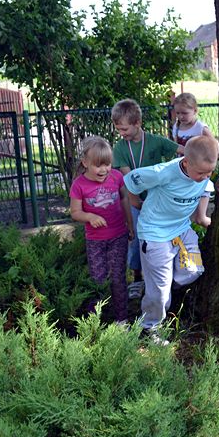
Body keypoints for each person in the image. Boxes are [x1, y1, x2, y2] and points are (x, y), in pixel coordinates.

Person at [122, 135, 218, 344]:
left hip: (181, 230)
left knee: (193, 270)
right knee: (161, 291)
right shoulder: (164, 172)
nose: (205, 176)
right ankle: (149, 328)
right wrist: (134, 200)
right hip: (155, 233)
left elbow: (205, 192)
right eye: (201, 172)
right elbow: (132, 179)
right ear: (186, 162)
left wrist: (203, 218)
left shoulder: (203, 175)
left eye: (210, 172)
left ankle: (158, 289)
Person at [112, 98, 179, 301]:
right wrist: (134, 200)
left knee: (160, 239)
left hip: (157, 202)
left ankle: (165, 277)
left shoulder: (156, 141)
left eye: (124, 129)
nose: (121, 133)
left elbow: (181, 152)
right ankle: (137, 278)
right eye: (118, 129)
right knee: (136, 240)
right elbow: (128, 177)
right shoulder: (120, 148)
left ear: (137, 123)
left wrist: (202, 151)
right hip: (136, 202)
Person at [69, 136, 134, 324]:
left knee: (118, 278)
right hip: (95, 241)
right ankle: (94, 321)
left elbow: (124, 199)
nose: (104, 169)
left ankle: (122, 320)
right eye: (98, 165)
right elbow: (75, 212)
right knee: (97, 279)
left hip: (118, 236)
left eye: (107, 164)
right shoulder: (79, 185)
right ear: (85, 163)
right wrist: (90, 217)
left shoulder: (116, 177)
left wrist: (130, 224)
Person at [170, 92, 219, 196]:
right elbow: (176, 146)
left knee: (200, 193)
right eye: (178, 113)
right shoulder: (176, 127)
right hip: (185, 167)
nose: (181, 116)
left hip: (200, 166)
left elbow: (214, 145)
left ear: (195, 110)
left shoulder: (200, 128)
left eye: (184, 113)